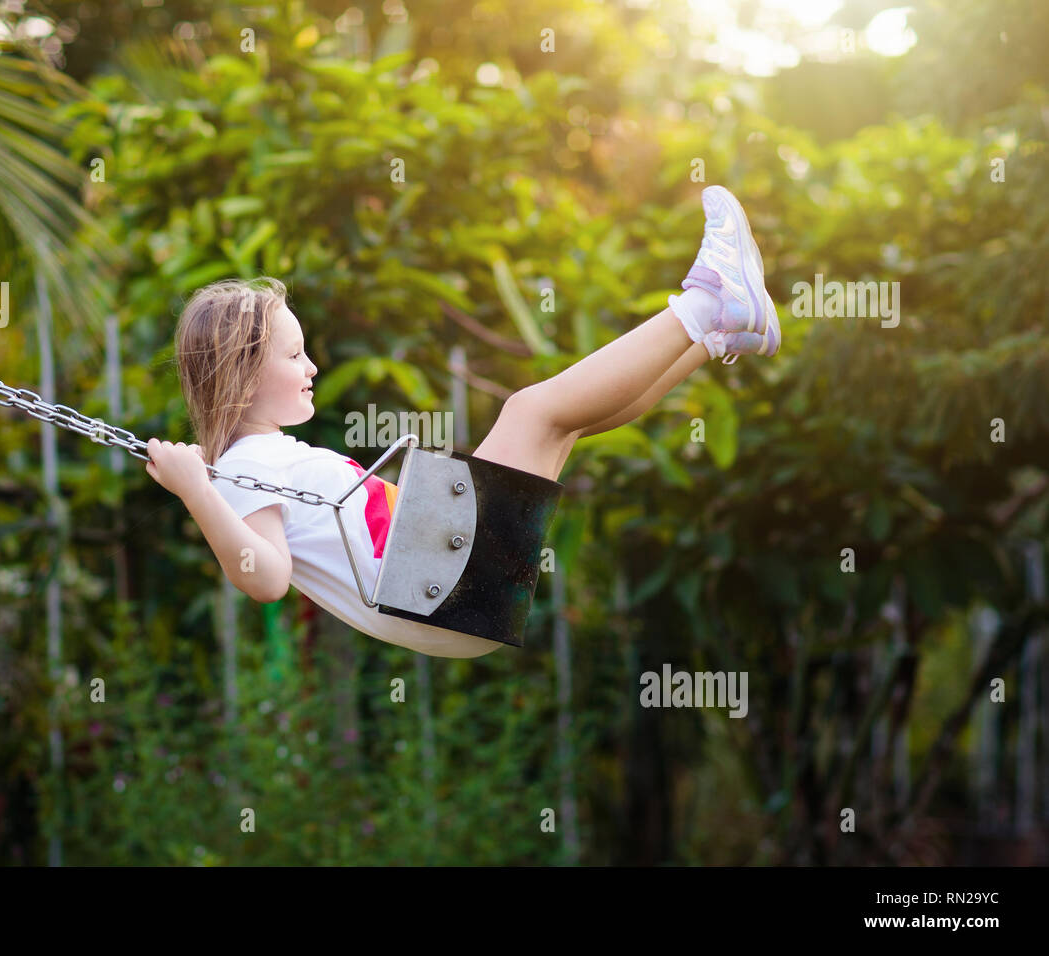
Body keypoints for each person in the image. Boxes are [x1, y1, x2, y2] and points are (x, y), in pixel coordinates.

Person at [145, 185, 780, 658]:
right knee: (530, 410)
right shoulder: (237, 470)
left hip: (449, 591)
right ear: (242, 372)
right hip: (440, 587)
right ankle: (708, 298)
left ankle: (717, 331)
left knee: (564, 425)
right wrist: (196, 489)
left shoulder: (258, 460)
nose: (312, 364)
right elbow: (268, 581)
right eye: (292, 354)